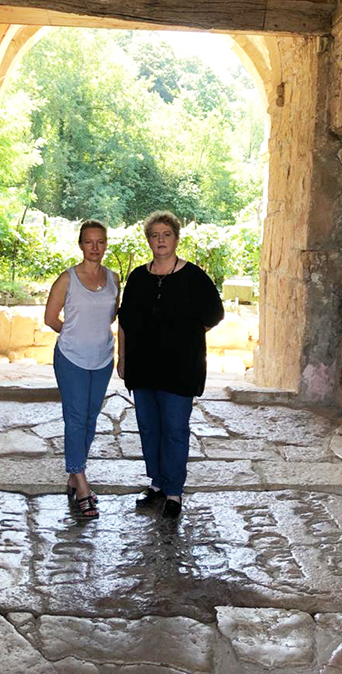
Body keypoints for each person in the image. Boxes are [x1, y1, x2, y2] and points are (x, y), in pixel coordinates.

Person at [117, 211, 224, 518]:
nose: (160, 240)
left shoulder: (194, 277)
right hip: (143, 367)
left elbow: (214, 315)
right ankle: (157, 483)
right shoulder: (138, 277)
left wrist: (187, 337)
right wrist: (123, 357)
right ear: (148, 240)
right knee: (149, 428)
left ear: (176, 239)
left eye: (166, 235)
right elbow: (125, 320)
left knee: (175, 429)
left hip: (180, 368)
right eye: (155, 235)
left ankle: (174, 491)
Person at [45, 220, 119, 518]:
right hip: (71, 358)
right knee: (75, 419)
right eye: (89, 241)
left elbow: (110, 316)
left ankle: (74, 476)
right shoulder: (67, 279)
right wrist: (74, 334)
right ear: (80, 244)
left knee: (90, 419)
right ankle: (83, 485)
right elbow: (51, 318)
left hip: (102, 359)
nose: (95, 247)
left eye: (100, 241)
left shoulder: (113, 279)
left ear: (106, 244)